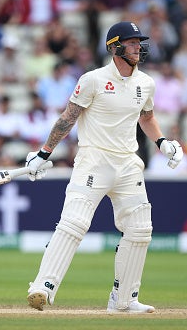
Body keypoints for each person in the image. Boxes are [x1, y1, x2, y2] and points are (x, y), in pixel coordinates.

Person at [24, 22, 184, 313]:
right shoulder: (93, 80)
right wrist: (44, 153)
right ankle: (42, 288)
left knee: (140, 230)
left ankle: (123, 301)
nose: (138, 47)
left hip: (128, 164)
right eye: (132, 42)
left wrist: (162, 142)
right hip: (93, 161)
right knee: (74, 223)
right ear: (114, 47)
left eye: (139, 42)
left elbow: (146, 118)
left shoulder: (145, 83)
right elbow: (68, 118)